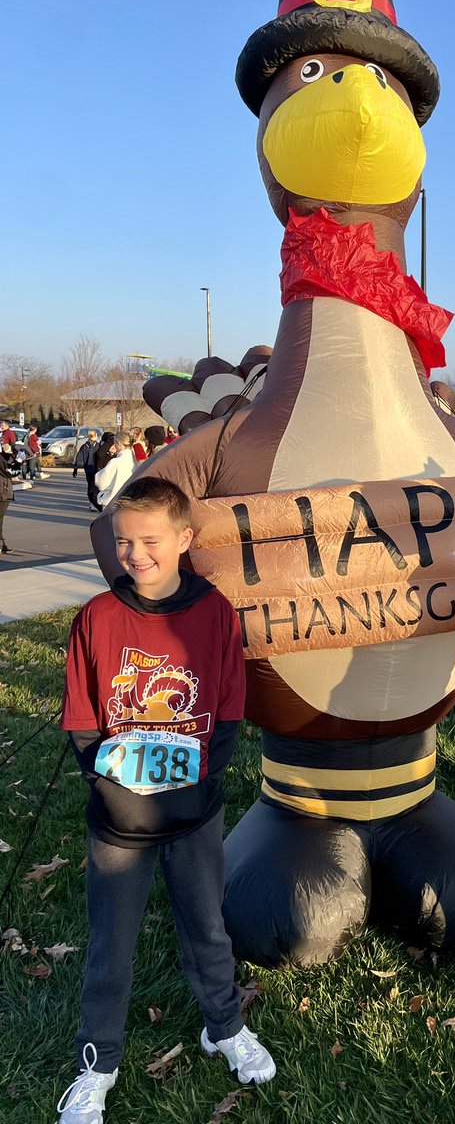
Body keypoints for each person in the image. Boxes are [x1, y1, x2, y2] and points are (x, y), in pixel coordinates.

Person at [56, 477, 275, 1124]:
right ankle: (98, 1062)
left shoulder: (215, 613)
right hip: (119, 819)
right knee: (111, 943)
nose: (135, 553)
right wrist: (108, 788)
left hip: (192, 813)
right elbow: (82, 720)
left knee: (207, 925)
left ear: (184, 539)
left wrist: (203, 784)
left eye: (150, 540)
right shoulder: (97, 618)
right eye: (124, 541)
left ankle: (223, 1025)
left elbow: (228, 707)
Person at [95, 433, 136, 508]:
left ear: (119, 444)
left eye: (115, 443)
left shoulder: (115, 462)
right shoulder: (135, 462)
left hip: (113, 501)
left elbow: (101, 483)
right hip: (130, 502)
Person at [73, 430, 102, 511]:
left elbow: (79, 458)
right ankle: (93, 502)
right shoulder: (98, 446)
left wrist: (76, 468)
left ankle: (92, 502)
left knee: (91, 486)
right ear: (95, 436)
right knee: (95, 486)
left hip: (89, 469)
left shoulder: (84, 446)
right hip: (95, 469)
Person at [0, 444, 16, 554]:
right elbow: (10, 472)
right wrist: (17, 462)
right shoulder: (1, 459)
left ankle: (3, 545)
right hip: (2, 492)